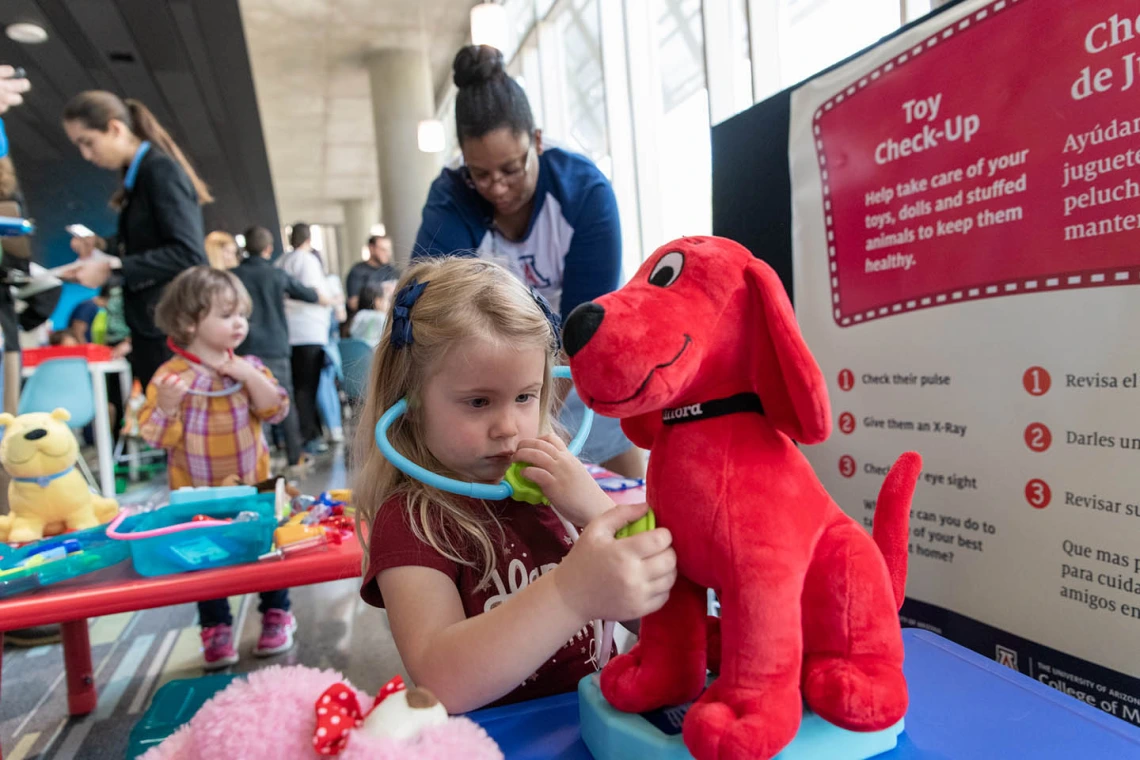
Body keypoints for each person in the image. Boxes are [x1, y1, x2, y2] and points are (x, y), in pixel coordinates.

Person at [355, 257, 676, 712]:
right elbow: (440, 679)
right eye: (479, 402)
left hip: (597, 728)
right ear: (410, 402)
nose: (508, 427)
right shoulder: (412, 522)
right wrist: (570, 594)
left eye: (525, 396)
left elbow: (666, 623)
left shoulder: (558, 489)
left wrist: (597, 512)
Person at [413, 46, 642, 479]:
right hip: (493, 364)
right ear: (463, 161)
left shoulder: (584, 193)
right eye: (481, 174)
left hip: (577, 357)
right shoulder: (449, 200)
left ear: (536, 141)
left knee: (622, 481)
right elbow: (433, 308)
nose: (498, 187)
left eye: (512, 169)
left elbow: (581, 328)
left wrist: (534, 425)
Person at [138, 266, 297, 668]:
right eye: (226, 315)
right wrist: (168, 407)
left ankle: (277, 613)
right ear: (190, 322)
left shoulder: (250, 366)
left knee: (266, 548)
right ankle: (215, 626)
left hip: (254, 484)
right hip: (195, 493)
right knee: (204, 558)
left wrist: (248, 375)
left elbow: (276, 409)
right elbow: (155, 437)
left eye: (241, 314)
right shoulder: (169, 377)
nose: (239, 322)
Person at [60, 91, 210, 388]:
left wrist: (112, 269)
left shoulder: (159, 171)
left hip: (170, 327)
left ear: (115, 129)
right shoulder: (139, 176)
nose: (87, 155)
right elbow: (150, 242)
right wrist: (102, 245)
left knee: (176, 426)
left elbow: (189, 253)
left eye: (88, 142)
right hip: (153, 325)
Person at [232, 226, 320, 469]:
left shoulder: (233, 275)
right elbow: (309, 295)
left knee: (249, 402)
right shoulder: (276, 274)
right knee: (284, 399)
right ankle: (295, 456)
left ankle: (264, 457)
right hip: (275, 346)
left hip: (243, 346)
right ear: (269, 249)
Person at [275, 223, 330, 454]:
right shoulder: (307, 261)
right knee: (307, 388)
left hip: (288, 333)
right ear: (309, 239)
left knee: (296, 387)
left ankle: (303, 435)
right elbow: (317, 295)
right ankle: (308, 437)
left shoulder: (280, 262)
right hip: (309, 332)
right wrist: (332, 301)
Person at [345, 235, 399, 314]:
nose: (387, 253)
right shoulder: (357, 271)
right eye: (383, 249)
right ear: (371, 248)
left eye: (388, 250)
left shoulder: (391, 270)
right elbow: (353, 303)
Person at [347, 279, 394, 347]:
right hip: (374, 355)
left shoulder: (358, 315)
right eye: (387, 299)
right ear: (377, 301)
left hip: (355, 355)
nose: (389, 304)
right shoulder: (381, 317)